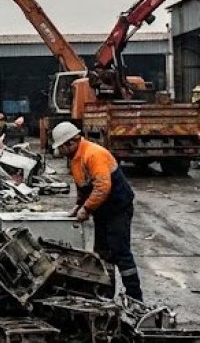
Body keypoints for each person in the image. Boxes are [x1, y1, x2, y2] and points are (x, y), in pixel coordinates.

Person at [52, 121, 143, 300]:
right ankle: (105, 294)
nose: (59, 152)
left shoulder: (93, 154)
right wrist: (78, 205)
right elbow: (83, 185)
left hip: (117, 208)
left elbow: (102, 187)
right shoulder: (75, 157)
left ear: (70, 142)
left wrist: (86, 209)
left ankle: (135, 297)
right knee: (102, 252)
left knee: (120, 251)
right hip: (102, 209)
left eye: (61, 147)